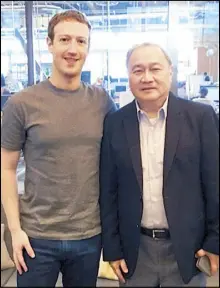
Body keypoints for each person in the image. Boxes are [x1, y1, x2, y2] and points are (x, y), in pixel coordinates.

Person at [1, 10, 116, 287]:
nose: (73, 49)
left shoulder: (102, 101)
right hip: (36, 238)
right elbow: (6, 168)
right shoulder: (21, 103)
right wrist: (15, 230)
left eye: (81, 41)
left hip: (88, 236)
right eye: (64, 39)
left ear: (88, 48)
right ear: (50, 44)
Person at [99, 42, 219, 287]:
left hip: (187, 250)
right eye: (137, 70)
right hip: (135, 251)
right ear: (129, 75)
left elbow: (215, 183)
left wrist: (215, 241)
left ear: (170, 72)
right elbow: (108, 190)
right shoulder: (115, 122)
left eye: (155, 69)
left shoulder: (201, 118)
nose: (147, 78)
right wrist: (112, 249)